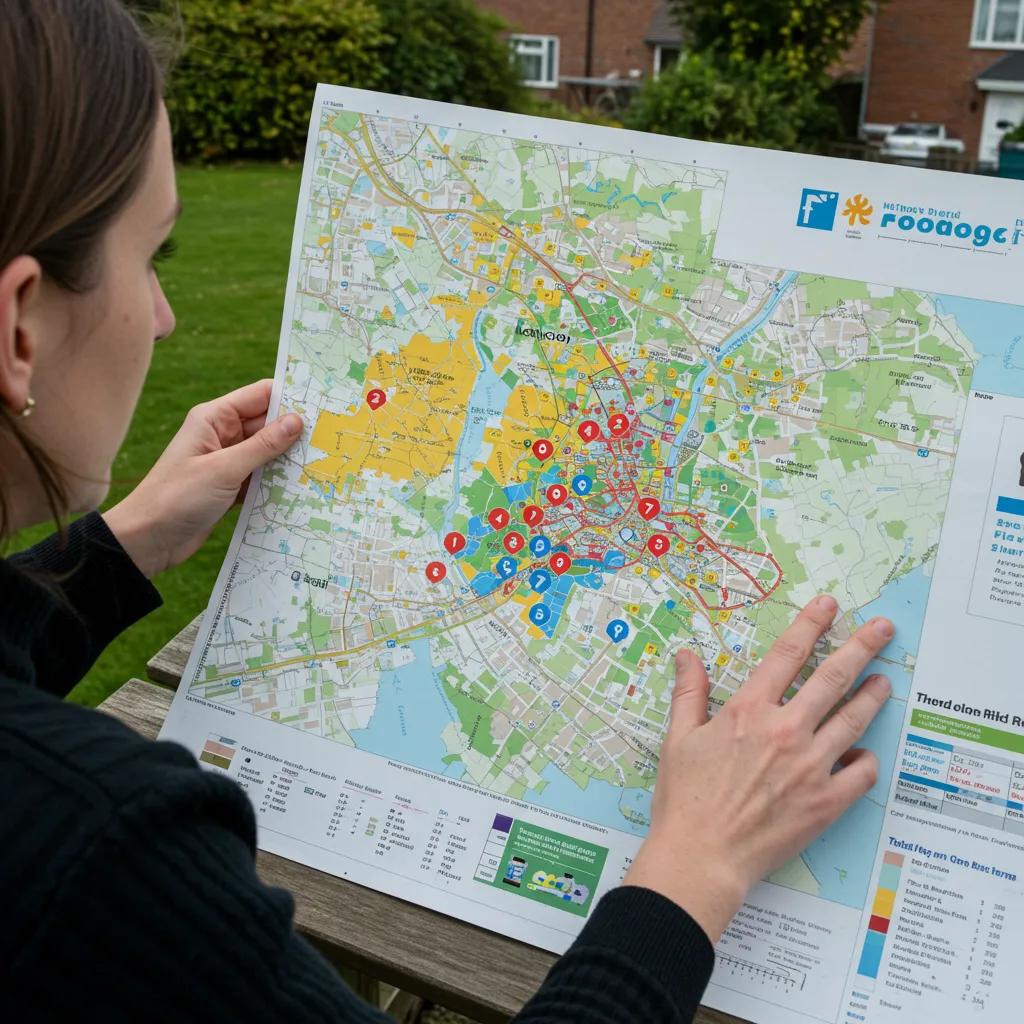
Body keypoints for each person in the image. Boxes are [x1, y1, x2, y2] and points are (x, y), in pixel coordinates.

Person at [0, 2, 893, 1021]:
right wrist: (696, 861)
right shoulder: (108, 849)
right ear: (20, 326)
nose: (161, 314)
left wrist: (127, 546)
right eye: (153, 254)